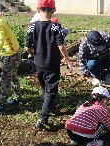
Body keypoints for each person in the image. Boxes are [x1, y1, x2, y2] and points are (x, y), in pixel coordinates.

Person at [25, 0, 73, 131]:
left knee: (44, 88)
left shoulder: (32, 26)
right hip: (52, 64)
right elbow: (61, 46)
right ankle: (43, 118)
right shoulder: (54, 27)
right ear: (53, 10)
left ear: (37, 9)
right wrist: (68, 60)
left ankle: (49, 106)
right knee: (51, 90)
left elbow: (27, 47)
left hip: (38, 63)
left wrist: (34, 53)